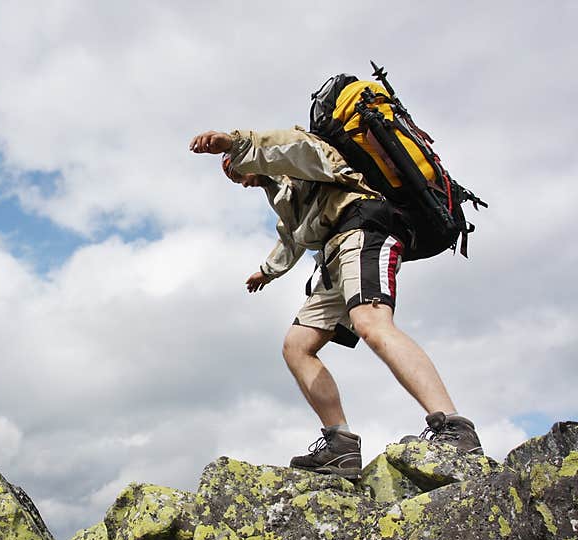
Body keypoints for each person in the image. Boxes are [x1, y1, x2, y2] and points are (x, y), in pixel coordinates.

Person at [189, 126, 482, 480]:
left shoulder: (302, 154)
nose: (237, 177)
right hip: (332, 252)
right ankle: (340, 446)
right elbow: (293, 235)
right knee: (297, 346)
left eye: (235, 169)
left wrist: (234, 143)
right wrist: (267, 271)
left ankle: (453, 427)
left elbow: (284, 147)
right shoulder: (284, 190)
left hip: (363, 229)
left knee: (372, 323)